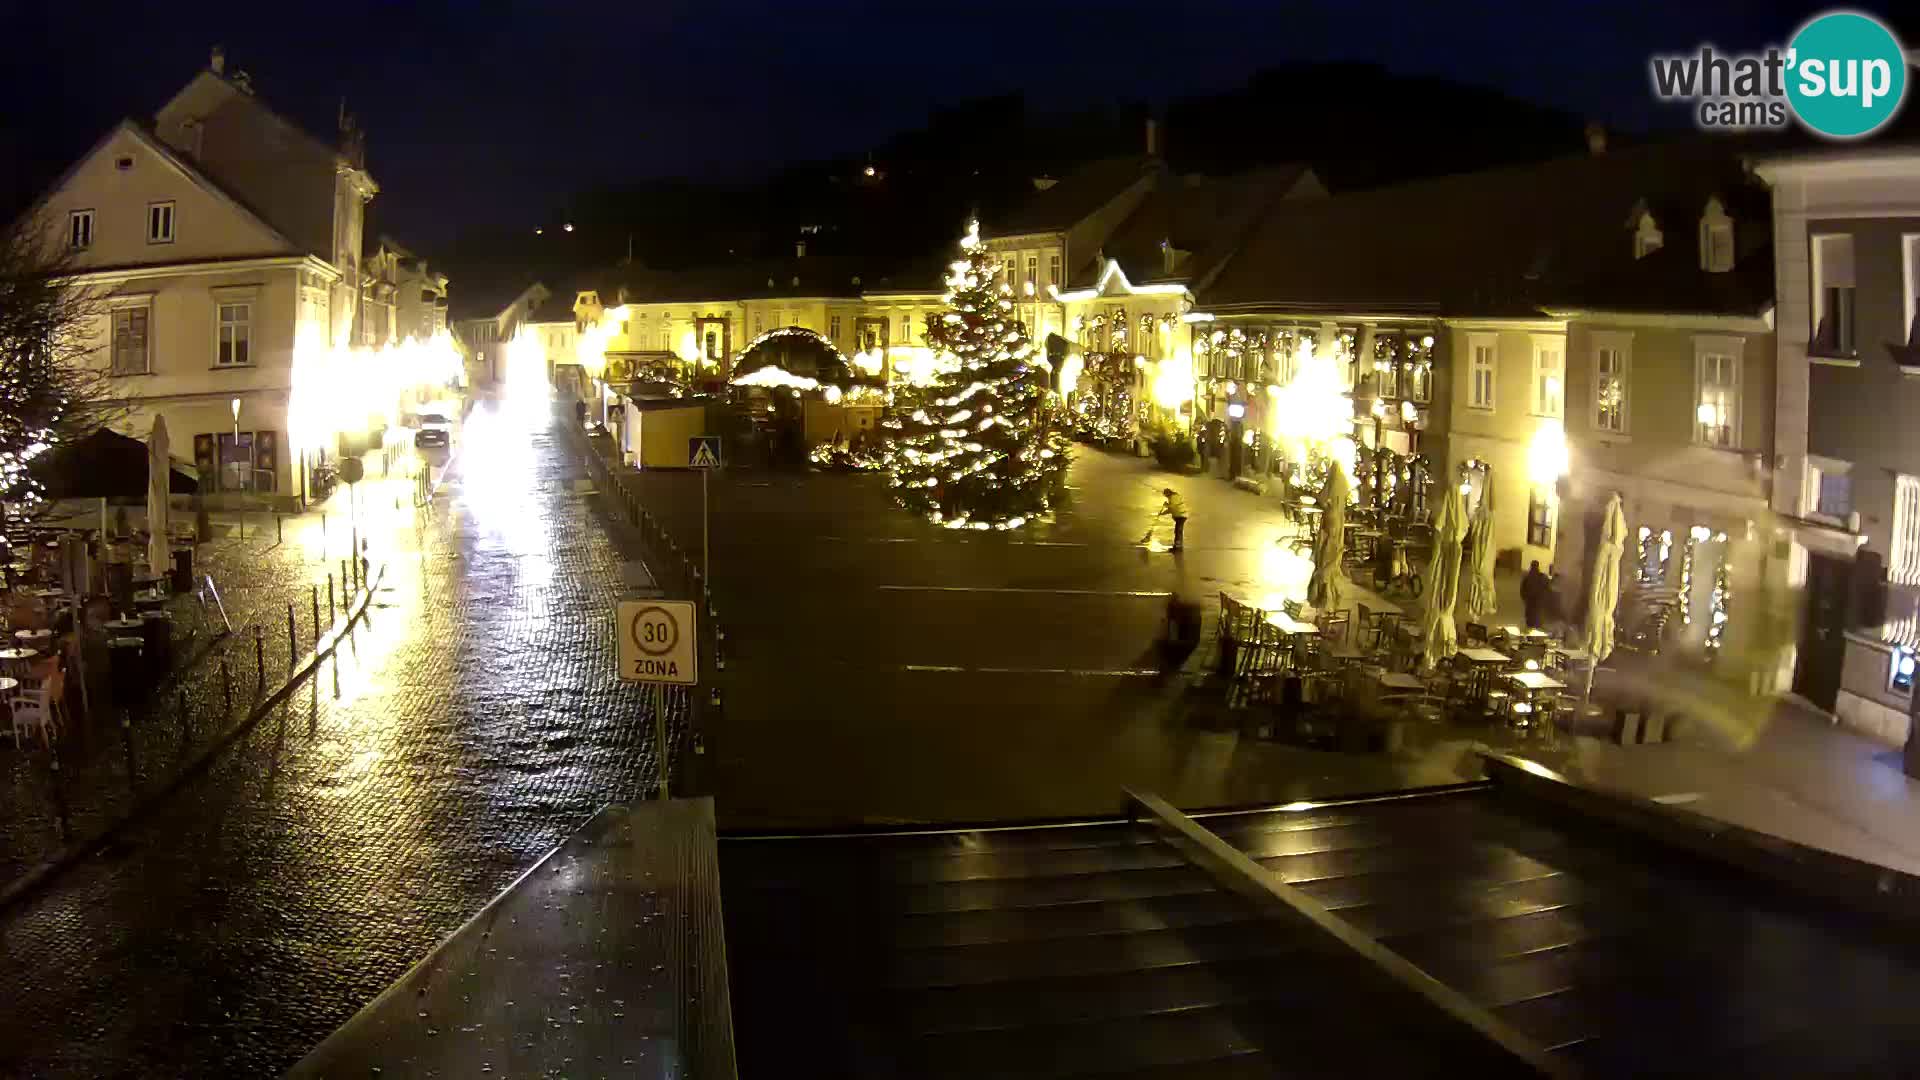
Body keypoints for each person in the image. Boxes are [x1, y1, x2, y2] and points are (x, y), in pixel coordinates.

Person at [1156, 488, 1190, 552]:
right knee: (1177, 531)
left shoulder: (1174, 497)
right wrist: (1162, 513)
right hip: (1180, 515)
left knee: (1178, 531)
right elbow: (1170, 509)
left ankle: (1178, 547)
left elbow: (1172, 507)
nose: (1165, 496)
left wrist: (1166, 505)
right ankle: (1177, 545)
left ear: (1168, 493)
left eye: (1165, 494)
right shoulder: (1172, 497)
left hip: (1181, 515)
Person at [1521, 560, 1550, 630]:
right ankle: (1535, 626)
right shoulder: (1541, 576)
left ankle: (1531, 626)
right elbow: (1546, 587)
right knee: (1536, 613)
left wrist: (1524, 597)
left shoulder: (1527, 576)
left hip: (1530, 599)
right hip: (1537, 599)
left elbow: (1522, 589)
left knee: (1530, 613)